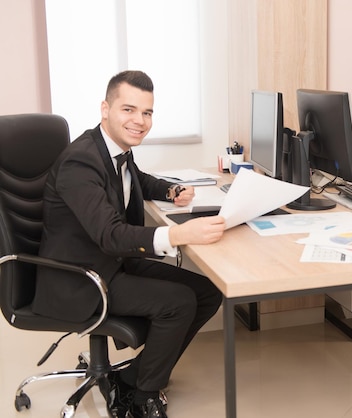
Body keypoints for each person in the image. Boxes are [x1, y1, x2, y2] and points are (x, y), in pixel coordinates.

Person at [32, 70, 226, 418]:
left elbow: (134, 178)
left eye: (147, 112)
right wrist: (179, 234)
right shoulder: (81, 160)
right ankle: (140, 398)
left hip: (110, 261)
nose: (139, 121)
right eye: (129, 110)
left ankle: (135, 377)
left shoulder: (115, 149)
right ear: (105, 108)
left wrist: (169, 190)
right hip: (79, 276)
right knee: (179, 302)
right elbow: (110, 234)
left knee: (208, 290)